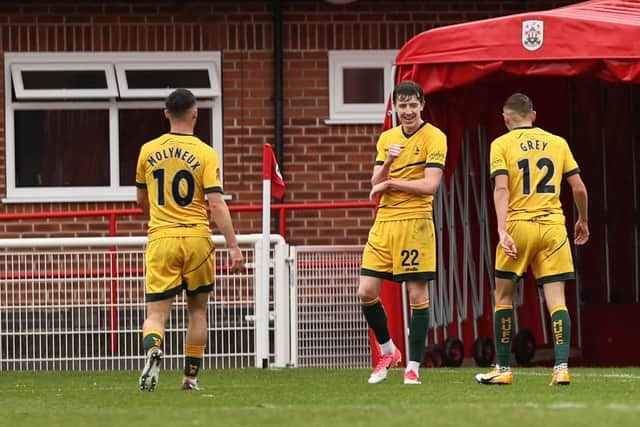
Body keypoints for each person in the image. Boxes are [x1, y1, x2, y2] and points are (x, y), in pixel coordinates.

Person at [475, 93, 589, 386]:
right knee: (557, 300)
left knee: (503, 296)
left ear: (506, 119)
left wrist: (501, 230)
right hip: (552, 228)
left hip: (519, 225)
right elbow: (578, 187)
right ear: (534, 115)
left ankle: (503, 368)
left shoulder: (500, 144)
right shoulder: (558, 142)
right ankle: (561, 367)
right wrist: (583, 219)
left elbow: (501, 189)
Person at [135, 88, 245, 391]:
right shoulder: (206, 153)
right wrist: (233, 246)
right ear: (196, 113)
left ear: (166, 113)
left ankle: (153, 349)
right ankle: (190, 377)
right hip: (197, 239)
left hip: (162, 237)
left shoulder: (147, 150)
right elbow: (217, 203)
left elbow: (141, 200)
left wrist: (160, 215)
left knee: (156, 314)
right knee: (197, 311)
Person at [359, 80, 447, 385]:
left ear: (422, 105)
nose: (407, 111)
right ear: (394, 107)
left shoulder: (435, 137)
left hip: (416, 221)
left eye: (413, 105)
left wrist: (392, 184)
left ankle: (413, 366)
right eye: (402, 105)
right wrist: (390, 164)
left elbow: (430, 185)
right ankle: (388, 351)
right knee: (366, 291)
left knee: (416, 294)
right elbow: (375, 180)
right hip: (385, 222)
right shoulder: (387, 139)